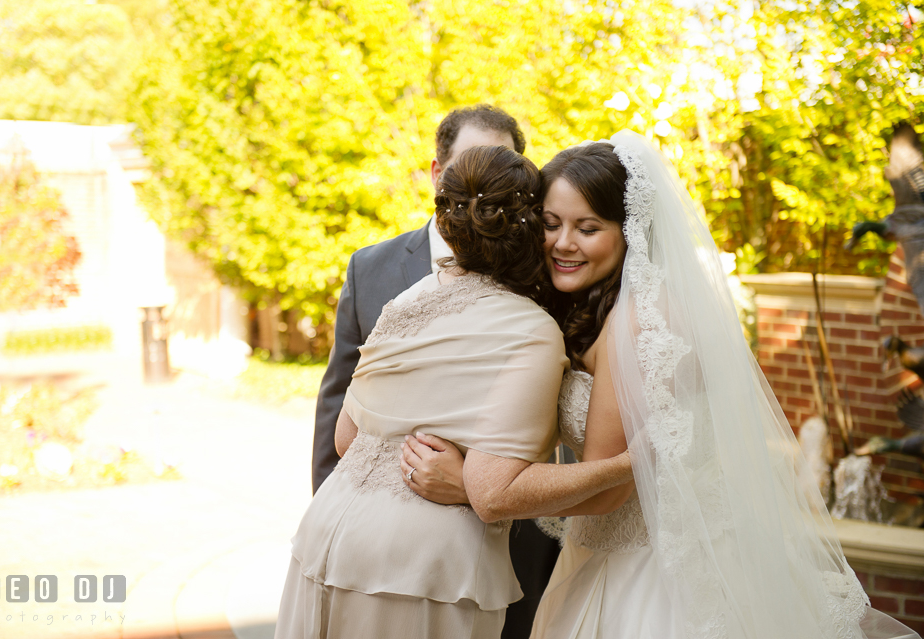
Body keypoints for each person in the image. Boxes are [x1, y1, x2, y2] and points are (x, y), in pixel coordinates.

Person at [405, 132, 922, 639]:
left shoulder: (638, 325)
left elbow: (611, 492)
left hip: (651, 575)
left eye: (587, 228)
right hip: (607, 555)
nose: (563, 243)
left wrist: (474, 487)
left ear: (630, 230)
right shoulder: (599, 308)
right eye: (551, 223)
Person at [276, 145, 634, 639]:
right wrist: (630, 464)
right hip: (421, 570)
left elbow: (345, 438)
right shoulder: (529, 329)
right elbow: (494, 493)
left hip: (324, 541)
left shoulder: (407, 299)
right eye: (550, 223)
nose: (561, 241)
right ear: (528, 225)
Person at [311, 104, 562, 638]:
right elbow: (336, 419)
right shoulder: (373, 269)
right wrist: (333, 515)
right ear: (437, 174)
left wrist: (468, 481)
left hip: (503, 548)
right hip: (363, 543)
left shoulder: (548, 280)